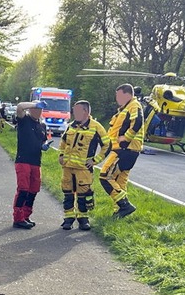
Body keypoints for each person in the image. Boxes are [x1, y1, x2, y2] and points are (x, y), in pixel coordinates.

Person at [57, 100, 112, 230]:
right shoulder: (71, 126)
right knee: (68, 194)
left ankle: (83, 219)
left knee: (84, 195)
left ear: (86, 112)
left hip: (84, 169)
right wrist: (61, 155)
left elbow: (107, 145)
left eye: (77, 111)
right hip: (68, 167)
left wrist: (95, 160)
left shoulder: (96, 127)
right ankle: (68, 219)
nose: (74, 113)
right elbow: (63, 142)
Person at [97, 84, 143, 217]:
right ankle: (119, 212)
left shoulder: (134, 105)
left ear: (127, 94)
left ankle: (125, 205)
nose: (117, 98)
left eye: (119, 95)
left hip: (124, 149)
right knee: (119, 181)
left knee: (105, 176)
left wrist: (125, 139)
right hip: (126, 150)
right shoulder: (124, 109)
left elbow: (138, 121)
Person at [12, 101, 50, 229]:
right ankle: (18, 218)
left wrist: (44, 146)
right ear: (31, 109)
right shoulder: (24, 120)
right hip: (23, 160)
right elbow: (20, 107)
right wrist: (34, 104)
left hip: (36, 161)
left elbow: (41, 141)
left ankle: (26, 215)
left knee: (34, 190)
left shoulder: (42, 125)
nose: (38, 112)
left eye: (40, 110)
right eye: (36, 109)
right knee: (23, 189)